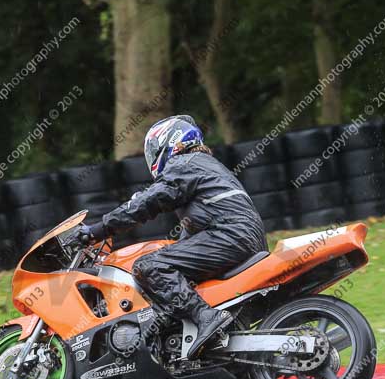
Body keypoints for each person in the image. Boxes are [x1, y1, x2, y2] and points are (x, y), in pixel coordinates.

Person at [74, 115, 268, 359]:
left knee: (149, 266)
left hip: (230, 236)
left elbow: (147, 203)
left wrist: (97, 229)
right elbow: (194, 230)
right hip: (240, 236)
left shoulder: (184, 163)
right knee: (168, 264)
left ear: (169, 142)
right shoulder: (206, 164)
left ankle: (206, 318)